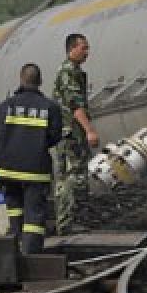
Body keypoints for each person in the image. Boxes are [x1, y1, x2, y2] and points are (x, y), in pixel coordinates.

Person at [0, 63, 63, 254]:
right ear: (40, 81)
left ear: (21, 79)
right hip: (35, 170)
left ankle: (13, 249)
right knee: (34, 213)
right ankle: (31, 254)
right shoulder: (51, 108)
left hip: (7, 169)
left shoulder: (4, 106)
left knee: (14, 208)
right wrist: (37, 145)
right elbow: (55, 137)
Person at [52, 33, 98, 235]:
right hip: (70, 133)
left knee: (71, 177)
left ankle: (71, 221)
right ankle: (69, 222)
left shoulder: (74, 71)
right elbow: (75, 105)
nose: (87, 52)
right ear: (72, 48)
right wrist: (89, 130)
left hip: (69, 133)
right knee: (73, 177)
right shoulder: (68, 72)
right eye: (83, 48)